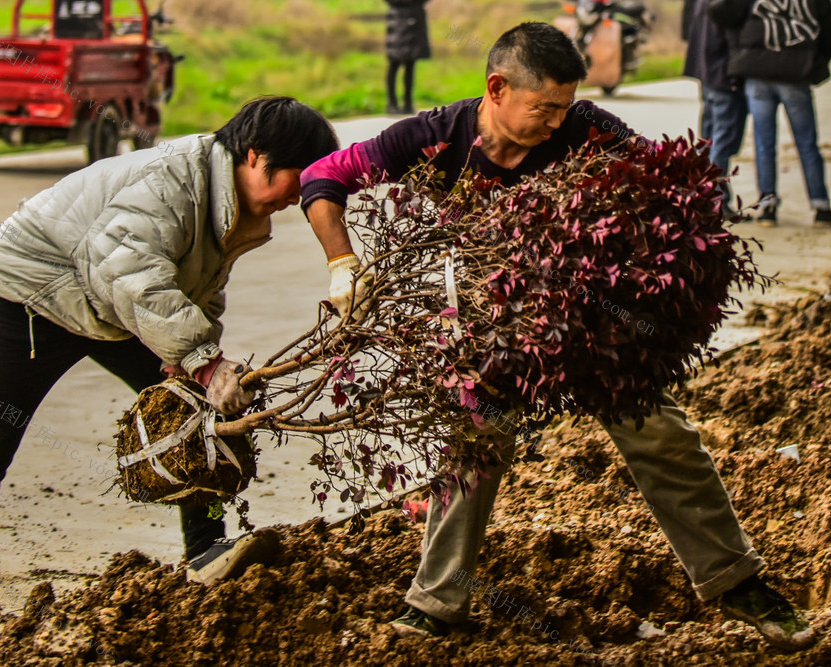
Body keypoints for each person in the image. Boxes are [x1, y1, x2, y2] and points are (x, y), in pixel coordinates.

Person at [301, 22, 817, 652]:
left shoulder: (591, 130)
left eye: (563, 108)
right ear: (497, 88)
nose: (555, 124)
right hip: (495, 334)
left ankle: (737, 583)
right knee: (472, 450)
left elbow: (666, 191)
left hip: (592, 333)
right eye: (543, 108)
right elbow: (323, 177)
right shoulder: (437, 138)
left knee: (663, 436)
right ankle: (436, 603)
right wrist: (341, 263)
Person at [0, 96, 340, 650]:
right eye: (296, 180)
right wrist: (203, 360)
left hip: (110, 304)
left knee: (194, 415)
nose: (298, 197)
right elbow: (129, 267)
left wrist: (194, 362)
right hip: (35, 291)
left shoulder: (235, 203)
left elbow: (200, 289)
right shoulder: (171, 181)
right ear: (256, 157)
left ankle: (206, 552)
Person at [714, 0, 831, 227]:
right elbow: (827, 32)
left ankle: (767, 204)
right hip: (796, 74)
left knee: (764, 143)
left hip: (758, 72)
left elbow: (722, 13)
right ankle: (821, 205)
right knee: (807, 143)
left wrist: (742, 51)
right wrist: (815, 63)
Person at [682, 0, 748, 214]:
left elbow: (687, 28)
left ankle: (702, 194)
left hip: (705, 70)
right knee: (721, 140)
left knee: (708, 140)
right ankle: (716, 198)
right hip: (722, 74)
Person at [385, 0, 431, 115]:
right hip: (398, 18)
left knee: (411, 62)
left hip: (415, 18)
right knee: (394, 62)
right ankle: (391, 103)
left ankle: (408, 103)